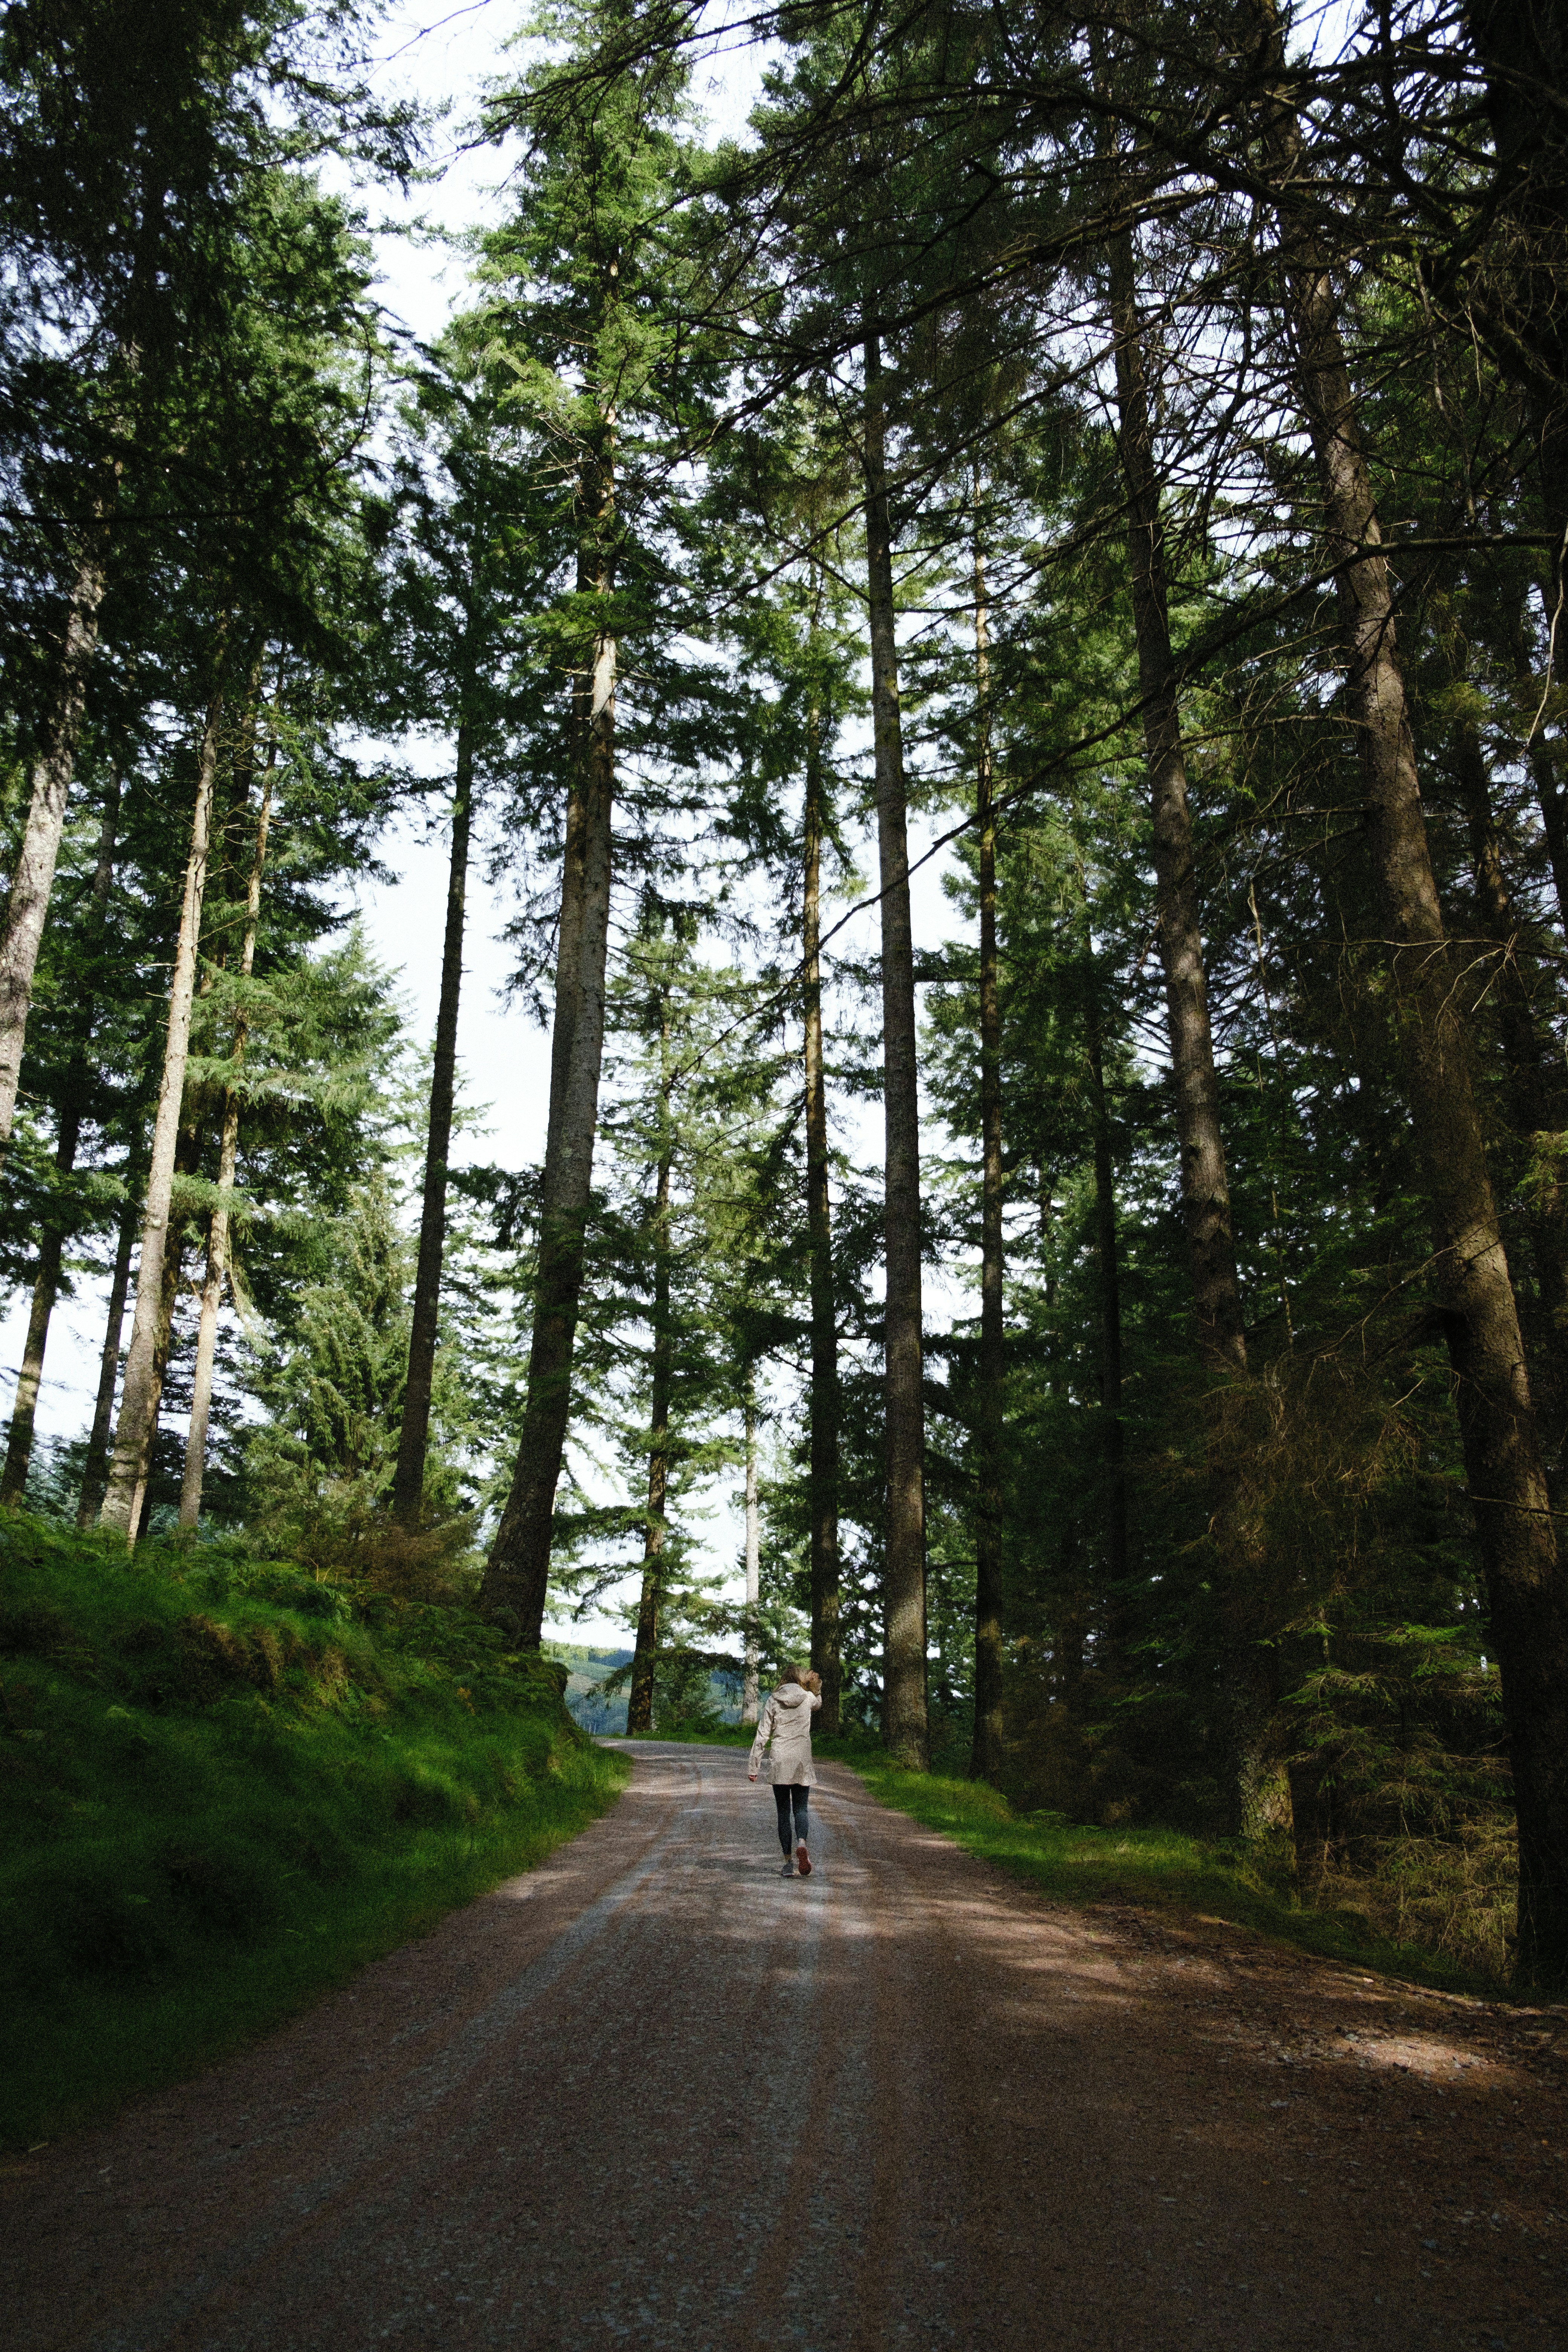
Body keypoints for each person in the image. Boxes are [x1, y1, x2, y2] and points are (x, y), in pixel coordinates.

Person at [748, 1662, 822, 1876]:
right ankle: (802, 1843)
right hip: (801, 1761)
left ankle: (788, 1862)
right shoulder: (808, 1698)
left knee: (783, 1812)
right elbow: (819, 1703)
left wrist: (754, 1766)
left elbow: (762, 1734)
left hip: (780, 1760)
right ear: (801, 1680)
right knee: (801, 1809)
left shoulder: (773, 1700)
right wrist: (816, 1686)